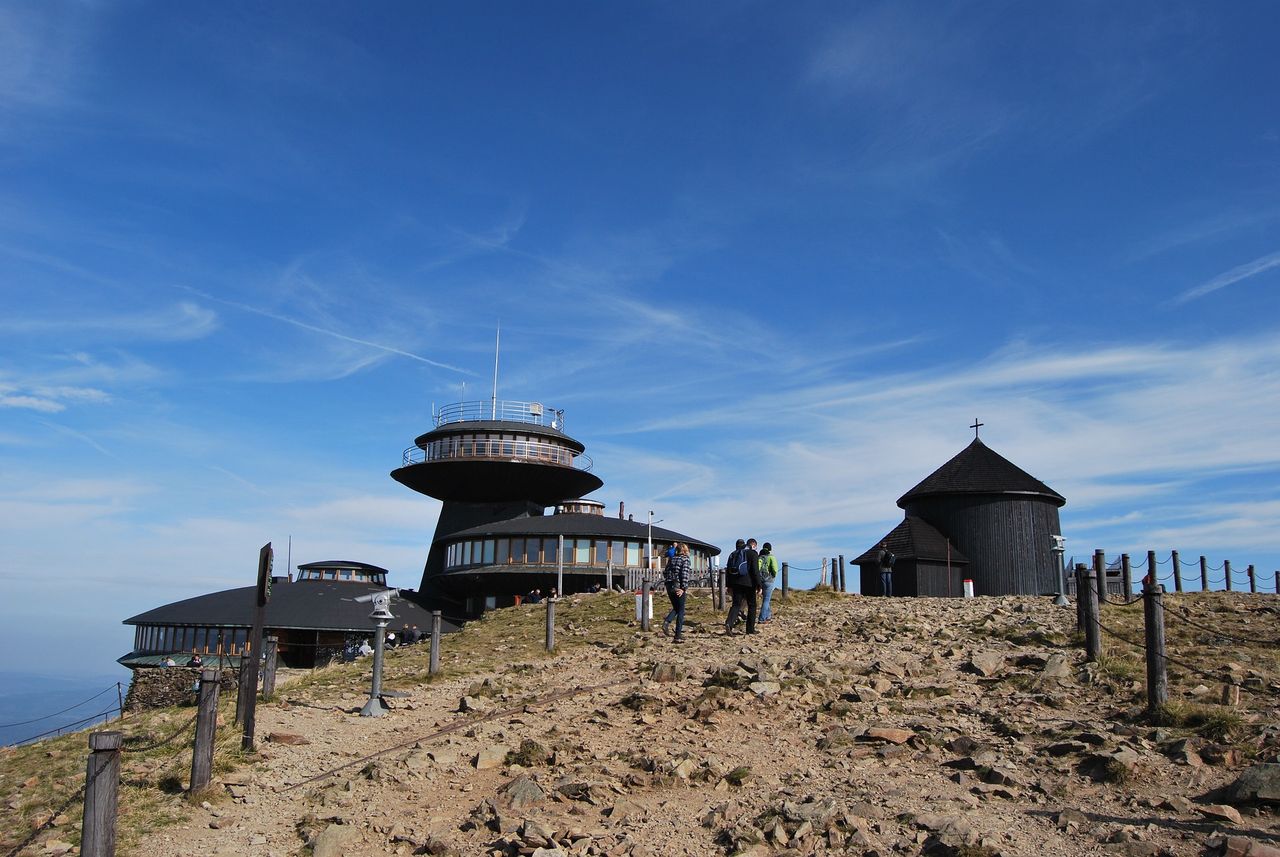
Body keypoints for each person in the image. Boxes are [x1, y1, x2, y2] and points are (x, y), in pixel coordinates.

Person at [724, 538, 762, 635]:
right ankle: (750, 629)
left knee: (736, 604)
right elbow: (755, 571)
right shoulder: (753, 554)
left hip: (736, 583)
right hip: (749, 584)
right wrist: (759, 585)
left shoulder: (733, 554)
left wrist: (729, 585)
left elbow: (728, 570)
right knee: (752, 605)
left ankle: (729, 623)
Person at [661, 542, 692, 643]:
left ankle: (667, 622)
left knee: (676, 608)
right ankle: (678, 635)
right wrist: (683, 588)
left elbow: (665, 572)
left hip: (669, 585)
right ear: (684, 550)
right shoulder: (685, 559)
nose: (688, 551)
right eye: (687, 550)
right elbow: (684, 574)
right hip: (678, 586)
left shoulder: (672, 559)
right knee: (681, 610)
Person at [757, 542, 779, 622]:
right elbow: (775, 569)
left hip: (760, 580)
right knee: (766, 600)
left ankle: (768, 615)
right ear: (770, 549)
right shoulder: (771, 557)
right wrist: (773, 575)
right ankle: (762, 618)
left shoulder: (759, 557)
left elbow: (757, 568)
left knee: (766, 599)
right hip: (769, 580)